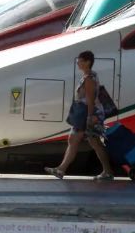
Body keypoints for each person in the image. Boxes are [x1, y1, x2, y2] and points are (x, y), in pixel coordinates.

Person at [44, 50, 115, 181]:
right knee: (87, 141)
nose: (77, 63)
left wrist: (89, 117)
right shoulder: (90, 75)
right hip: (88, 114)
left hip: (88, 115)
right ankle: (106, 171)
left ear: (87, 62)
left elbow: (90, 99)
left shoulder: (89, 79)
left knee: (84, 141)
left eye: (80, 60)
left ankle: (62, 169)